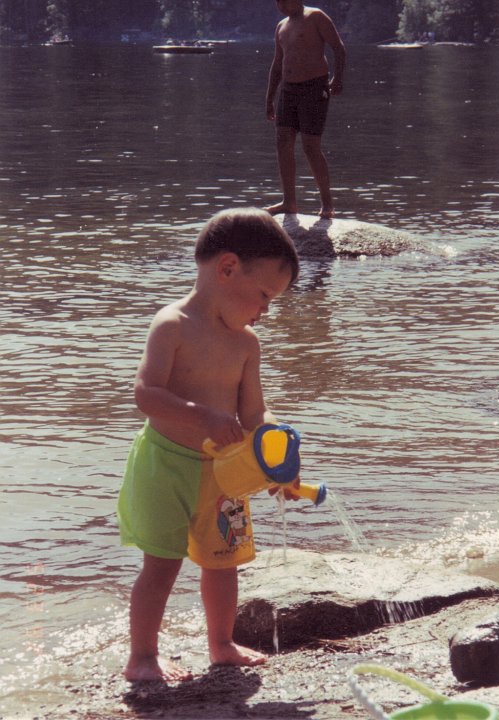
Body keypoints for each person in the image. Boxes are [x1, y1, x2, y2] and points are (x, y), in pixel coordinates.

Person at [117, 208, 300, 682]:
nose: (266, 309)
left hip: (225, 474)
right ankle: (142, 657)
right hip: (166, 467)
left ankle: (221, 645)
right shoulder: (172, 324)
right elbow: (145, 395)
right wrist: (202, 416)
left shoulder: (247, 344)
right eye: (264, 295)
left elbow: (255, 414)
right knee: (160, 565)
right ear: (227, 268)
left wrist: (278, 451)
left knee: (224, 564)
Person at [265, 0, 346, 219]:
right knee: (283, 141)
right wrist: (269, 97)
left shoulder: (315, 16)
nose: (280, 5)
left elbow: (338, 48)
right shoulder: (281, 26)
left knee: (311, 146)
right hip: (288, 89)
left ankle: (327, 203)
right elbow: (278, 63)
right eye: (277, 2)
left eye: (284, 1)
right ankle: (289, 201)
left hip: (313, 87)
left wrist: (337, 78)